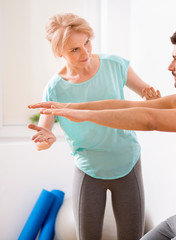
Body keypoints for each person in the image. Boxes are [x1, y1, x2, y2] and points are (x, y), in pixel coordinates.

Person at [29, 25, 176, 239]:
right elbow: (128, 106)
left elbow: (150, 120)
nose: (169, 66)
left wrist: (85, 116)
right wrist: (70, 108)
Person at [27, 13, 160, 240]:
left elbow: (152, 100)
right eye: (75, 49)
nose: (85, 53)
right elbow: (42, 137)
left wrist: (153, 98)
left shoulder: (115, 65)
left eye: (87, 42)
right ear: (60, 53)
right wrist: (45, 141)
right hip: (88, 169)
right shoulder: (54, 89)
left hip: (127, 162)